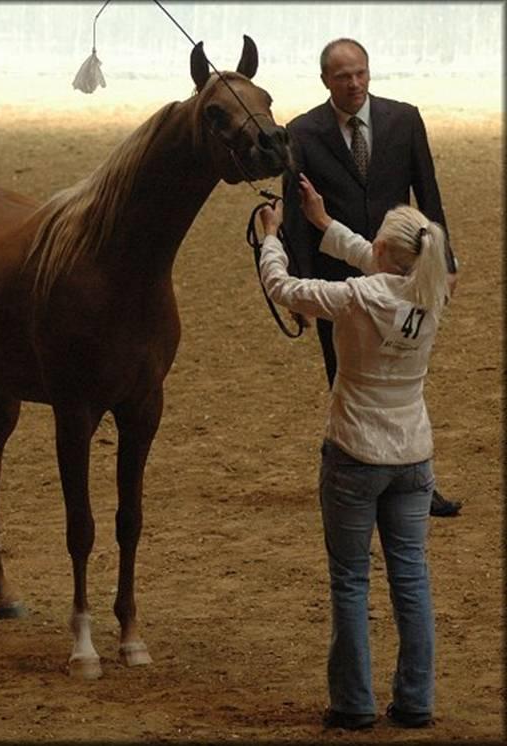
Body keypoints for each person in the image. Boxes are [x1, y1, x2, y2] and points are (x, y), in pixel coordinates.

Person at [258, 174, 456, 730]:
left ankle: (353, 702)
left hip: (354, 450)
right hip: (413, 454)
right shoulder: (432, 290)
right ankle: (415, 700)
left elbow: (284, 287)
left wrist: (273, 236)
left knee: (350, 579)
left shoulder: (356, 297)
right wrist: (322, 222)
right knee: (411, 577)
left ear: (388, 252)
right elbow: (375, 260)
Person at [282, 37, 461, 518]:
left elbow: (430, 196)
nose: (354, 83)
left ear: (369, 71)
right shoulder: (300, 132)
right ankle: (350, 471)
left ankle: (419, 483)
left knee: (406, 379)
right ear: (325, 80)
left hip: (405, 268)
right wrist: (298, 289)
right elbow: (296, 222)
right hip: (337, 281)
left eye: (360, 72)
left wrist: (447, 262)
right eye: (342, 76)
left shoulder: (405, 119)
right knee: (344, 378)